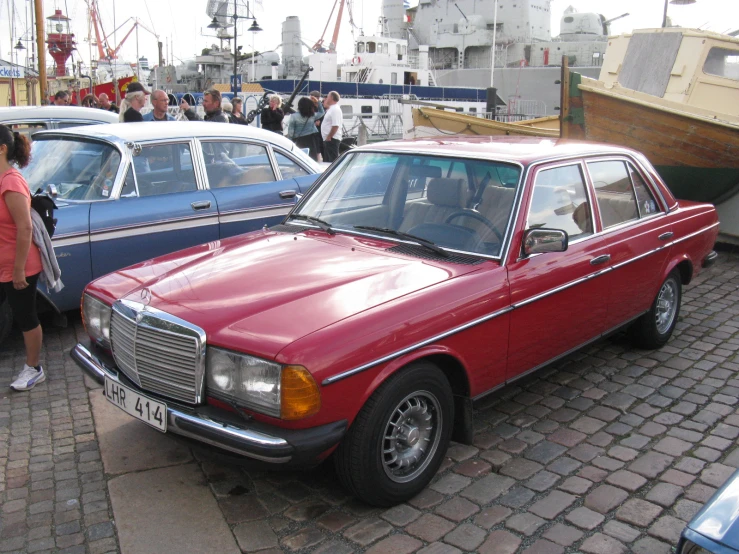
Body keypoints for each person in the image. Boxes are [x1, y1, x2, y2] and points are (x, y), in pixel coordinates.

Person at [0, 126, 45, 391]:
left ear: (2, 149)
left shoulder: (11, 181)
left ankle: (34, 368)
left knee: (25, 316)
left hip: (20, 264)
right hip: (4, 262)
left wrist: (18, 271)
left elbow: (25, 227)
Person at [287, 97, 325, 161]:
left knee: (299, 159)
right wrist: (318, 102)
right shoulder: (312, 116)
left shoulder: (293, 116)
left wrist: (289, 142)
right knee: (311, 159)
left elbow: (291, 132)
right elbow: (322, 112)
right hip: (311, 140)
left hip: (299, 140)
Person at [321, 91, 343, 162]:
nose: (326, 98)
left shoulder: (335, 109)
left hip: (332, 139)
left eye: (328, 96)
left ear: (332, 97)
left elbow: (336, 125)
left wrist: (329, 136)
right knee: (328, 161)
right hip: (328, 139)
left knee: (332, 160)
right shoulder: (331, 109)